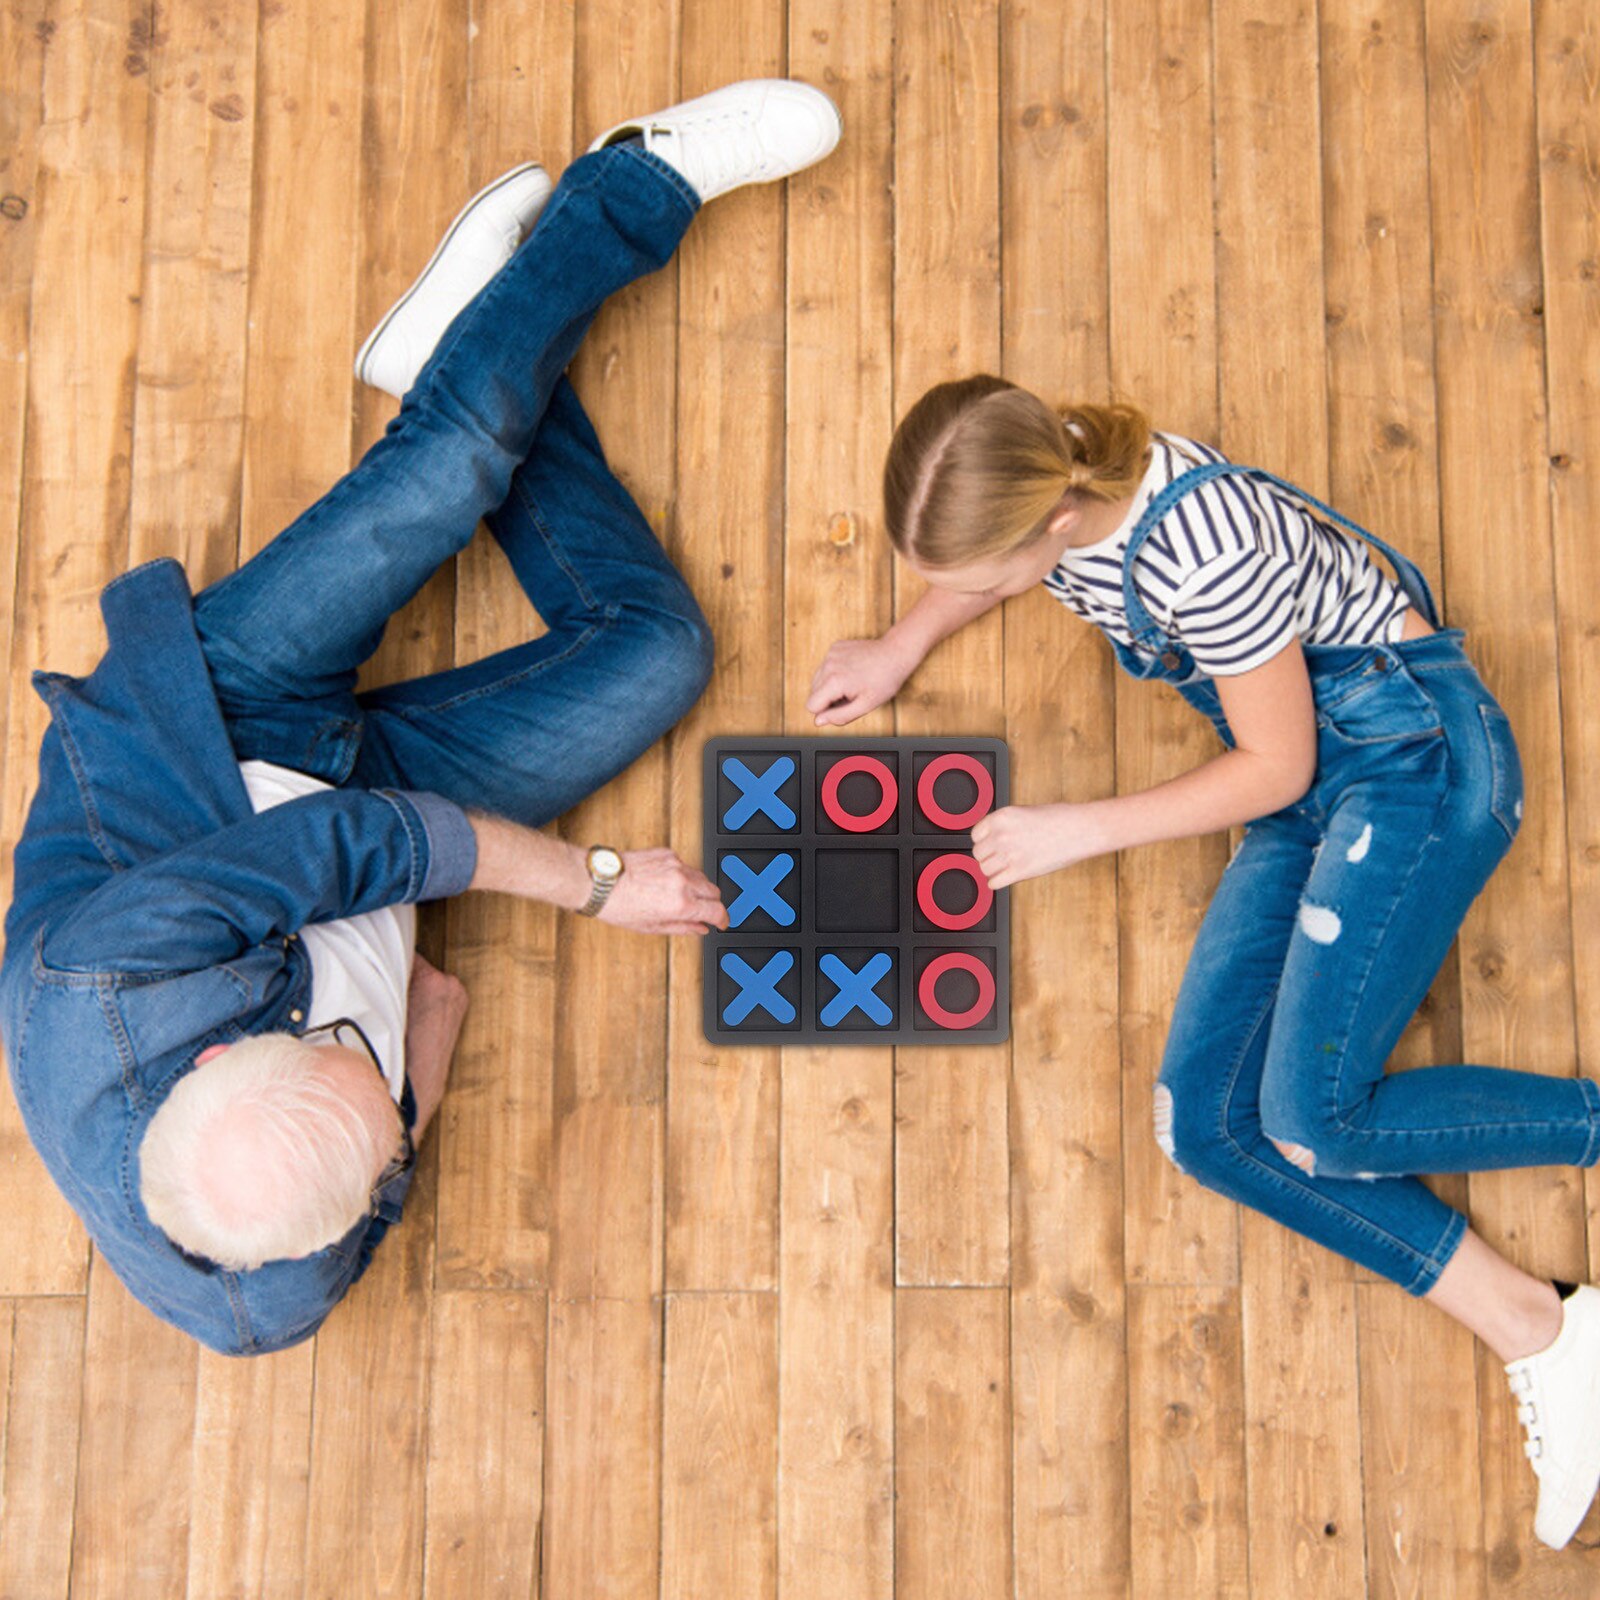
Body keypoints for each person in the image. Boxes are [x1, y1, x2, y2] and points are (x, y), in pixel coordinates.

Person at [0, 78, 842, 1356]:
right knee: (661, 653)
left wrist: (600, 882)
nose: (373, 1067)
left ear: (219, 1058)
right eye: (375, 1106)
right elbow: (376, 1174)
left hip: (218, 735)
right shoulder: (271, 1284)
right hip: (371, 848)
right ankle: (458, 323)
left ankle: (633, 183)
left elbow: (373, 842)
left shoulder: (110, 975)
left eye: (342, 1054)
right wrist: (421, 1054)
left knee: (450, 461)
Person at [807, 374, 1600, 1550]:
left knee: (1318, 1123)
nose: (965, 594)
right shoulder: (1066, 469)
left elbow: (1275, 772)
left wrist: (1079, 826)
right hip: (1310, 761)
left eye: (976, 578)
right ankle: (1542, 1327)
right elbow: (1004, 576)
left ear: (1055, 523)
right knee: (1208, 1128)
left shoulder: (1204, 559)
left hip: (1408, 765)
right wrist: (901, 638)